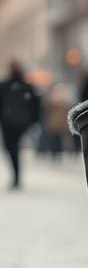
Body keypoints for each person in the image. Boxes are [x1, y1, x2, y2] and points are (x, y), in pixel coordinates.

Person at [0, 61, 41, 189]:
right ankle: (16, 176)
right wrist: (34, 120)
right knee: (14, 148)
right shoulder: (26, 87)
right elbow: (36, 104)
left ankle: (16, 176)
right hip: (19, 122)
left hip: (9, 122)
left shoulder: (6, 86)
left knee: (12, 149)